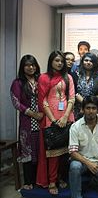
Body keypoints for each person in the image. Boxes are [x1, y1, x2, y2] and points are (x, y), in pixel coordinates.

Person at [37, 51, 75, 195]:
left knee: (66, 151)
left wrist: (65, 116)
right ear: (51, 61)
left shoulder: (68, 77)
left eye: (61, 61)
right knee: (53, 152)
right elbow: (43, 100)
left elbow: (71, 98)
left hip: (67, 115)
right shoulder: (44, 78)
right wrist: (52, 119)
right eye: (57, 60)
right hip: (50, 116)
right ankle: (52, 181)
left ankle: (60, 177)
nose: (60, 63)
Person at [69, 96, 98, 198]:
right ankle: (76, 196)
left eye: (94, 108)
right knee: (74, 167)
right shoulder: (75, 126)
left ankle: (92, 177)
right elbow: (73, 152)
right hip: (82, 161)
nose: (91, 111)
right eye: (88, 108)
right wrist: (89, 164)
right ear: (82, 109)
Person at [10, 55, 43, 190]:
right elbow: (16, 103)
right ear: (22, 67)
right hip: (27, 122)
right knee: (28, 152)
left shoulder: (41, 79)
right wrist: (34, 114)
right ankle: (28, 181)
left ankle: (39, 180)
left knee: (39, 151)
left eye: (33, 65)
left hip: (42, 121)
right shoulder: (17, 83)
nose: (31, 67)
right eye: (28, 65)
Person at [71, 53, 98, 120]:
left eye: (91, 61)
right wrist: (83, 103)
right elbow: (73, 91)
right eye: (86, 60)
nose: (88, 62)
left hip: (92, 108)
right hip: (77, 108)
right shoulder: (75, 74)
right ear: (82, 61)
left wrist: (87, 104)